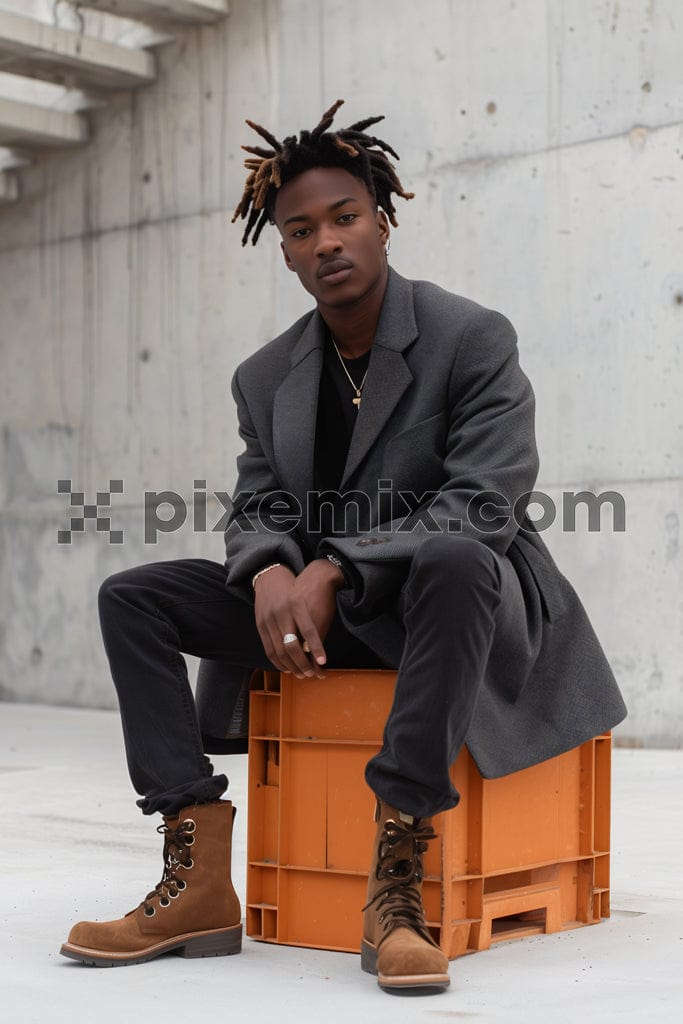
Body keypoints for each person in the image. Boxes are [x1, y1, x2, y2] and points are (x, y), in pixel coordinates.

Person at [60, 100, 627, 993]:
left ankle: (395, 888)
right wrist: (274, 571)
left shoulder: (470, 337)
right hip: (332, 619)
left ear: (383, 221)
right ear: (282, 250)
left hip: (453, 604)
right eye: (301, 230)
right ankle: (197, 878)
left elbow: (484, 503)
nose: (326, 241)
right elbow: (254, 506)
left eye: (344, 218)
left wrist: (336, 566)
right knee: (134, 594)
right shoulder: (263, 376)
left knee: (453, 555)